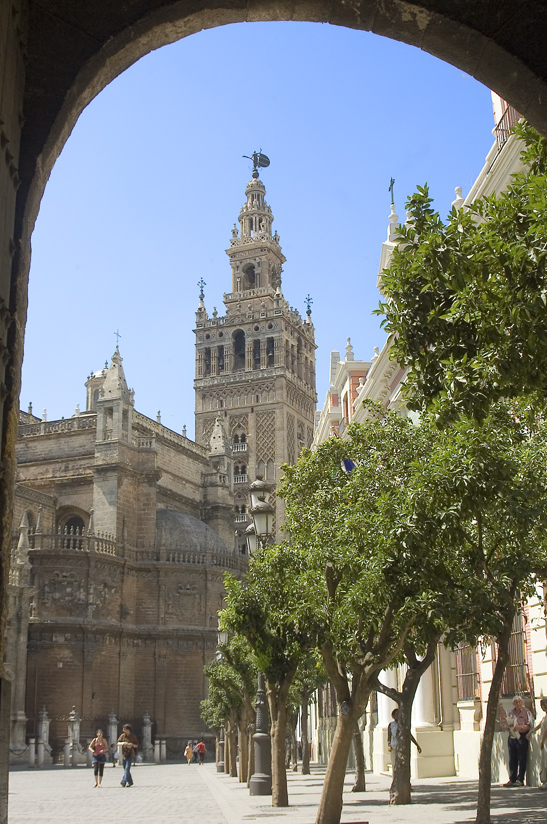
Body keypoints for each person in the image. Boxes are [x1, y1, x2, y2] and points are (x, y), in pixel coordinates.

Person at [503, 696, 534, 786]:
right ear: (513, 704)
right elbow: (509, 722)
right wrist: (508, 727)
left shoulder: (526, 712)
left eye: (519, 702)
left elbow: (528, 726)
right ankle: (512, 779)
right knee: (512, 758)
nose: (518, 704)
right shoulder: (511, 712)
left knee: (522, 758)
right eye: (516, 702)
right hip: (512, 736)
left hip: (521, 736)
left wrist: (520, 727)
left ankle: (520, 779)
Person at [534, 697, 547, 788]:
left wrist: (542, 740)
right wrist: (532, 731)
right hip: (544, 740)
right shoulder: (545, 716)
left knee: (546, 760)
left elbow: (546, 730)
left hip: (546, 741)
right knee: (543, 760)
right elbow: (540, 725)